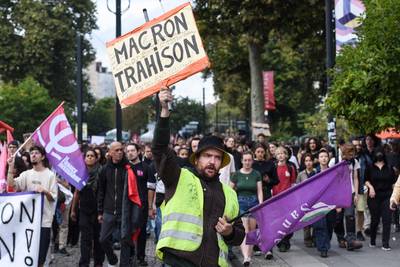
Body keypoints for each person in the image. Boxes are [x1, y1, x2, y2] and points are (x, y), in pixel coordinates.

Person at [153, 89, 245, 267]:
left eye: (217, 158)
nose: (212, 161)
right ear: (197, 159)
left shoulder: (229, 193)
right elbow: (159, 149)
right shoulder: (179, 177)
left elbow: (239, 235)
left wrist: (230, 231)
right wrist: (164, 112)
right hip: (178, 261)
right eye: (208, 156)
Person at [7, 145, 58, 267]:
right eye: (32, 153)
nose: (33, 155)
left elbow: (53, 198)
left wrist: (45, 191)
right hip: (27, 222)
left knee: (40, 258)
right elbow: (12, 185)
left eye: (36, 153)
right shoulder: (26, 174)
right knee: (26, 255)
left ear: (42, 156)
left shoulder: (50, 175)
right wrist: (10, 166)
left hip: (43, 222)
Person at [98, 142, 141, 267]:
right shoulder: (105, 169)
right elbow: (101, 191)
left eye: (121, 150)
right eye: (116, 150)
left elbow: (134, 192)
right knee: (103, 239)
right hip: (108, 210)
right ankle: (112, 259)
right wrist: (100, 211)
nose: (120, 152)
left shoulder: (129, 169)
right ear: (110, 152)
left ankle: (125, 264)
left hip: (125, 211)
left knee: (125, 240)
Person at [70, 148, 105, 267]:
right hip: (84, 210)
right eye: (87, 156)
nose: (89, 157)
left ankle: (98, 263)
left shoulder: (101, 172)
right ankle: (84, 263)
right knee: (85, 239)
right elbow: (76, 193)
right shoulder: (80, 173)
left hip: (98, 210)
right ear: (84, 159)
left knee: (98, 238)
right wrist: (73, 210)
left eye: (92, 156)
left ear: (96, 159)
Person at [230, 151, 263, 266]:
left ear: (252, 161)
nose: (247, 162)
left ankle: (249, 253)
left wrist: (261, 204)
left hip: (254, 203)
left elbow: (259, 191)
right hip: (241, 203)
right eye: (245, 160)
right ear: (242, 161)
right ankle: (246, 257)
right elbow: (230, 190)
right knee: (245, 230)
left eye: (249, 160)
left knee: (252, 231)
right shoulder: (236, 175)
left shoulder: (256, 174)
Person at [365, 148, 397, 250]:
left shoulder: (389, 167)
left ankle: (385, 244)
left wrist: (395, 197)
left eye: (381, 153)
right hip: (374, 196)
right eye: (377, 153)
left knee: (387, 219)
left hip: (387, 195)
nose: (379, 154)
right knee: (375, 220)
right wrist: (370, 188)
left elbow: (394, 183)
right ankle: (373, 239)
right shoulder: (370, 167)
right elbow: (365, 180)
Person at [334, 144, 363, 251]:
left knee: (350, 216)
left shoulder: (354, 162)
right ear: (345, 153)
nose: (352, 156)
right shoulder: (335, 161)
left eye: (353, 153)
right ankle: (341, 237)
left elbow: (355, 178)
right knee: (338, 218)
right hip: (338, 194)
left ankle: (351, 240)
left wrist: (356, 194)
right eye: (350, 154)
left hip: (349, 192)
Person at [125, 143, 150, 266]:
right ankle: (129, 255)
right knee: (128, 230)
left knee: (141, 232)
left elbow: (150, 188)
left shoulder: (146, 167)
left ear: (138, 151)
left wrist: (150, 206)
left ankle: (141, 256)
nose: (130, 153)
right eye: (128, 151)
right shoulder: (125, 167)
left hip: (142, 205)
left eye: (132, 150)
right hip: (128, 205)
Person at [312, 149, 336, 258]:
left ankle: (324, 242)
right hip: (318, 203)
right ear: (318, 159)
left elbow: (337, 187)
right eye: (321, 156)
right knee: (320, 225)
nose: (324, 158)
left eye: (325, 156)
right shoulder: (314, 172)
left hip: (330, 202)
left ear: (328, 158)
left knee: (330, 224)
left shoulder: (333, 172)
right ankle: (323, 248)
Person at [272, 146, 297, 252]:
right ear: (276, 156)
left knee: (289, 221)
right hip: (276, 199)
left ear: (286, 155)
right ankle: (280, 242)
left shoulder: (291, 167)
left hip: (288, 199)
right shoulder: (273, 167)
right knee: (279, 222)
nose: (281, 155)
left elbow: (293, 183)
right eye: (278, 154)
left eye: (282, 153)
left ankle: (286, 240)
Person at [296, 153, 316, 247]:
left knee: (316, 218)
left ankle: (316, 237)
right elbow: (297, 188)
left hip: (316, 199)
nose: (308, 163)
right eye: (306, 161)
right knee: (306, 220)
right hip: (305, 200)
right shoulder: (301, 174)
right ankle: (307, 239)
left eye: (310, 160)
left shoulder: (317, 172)